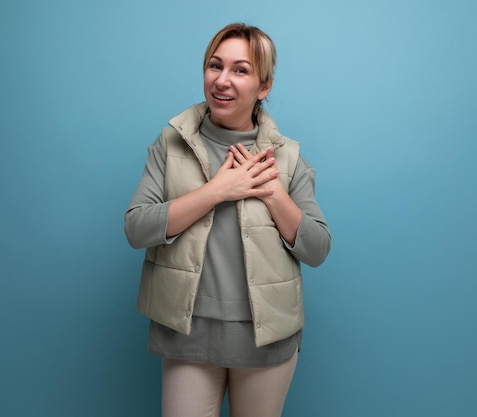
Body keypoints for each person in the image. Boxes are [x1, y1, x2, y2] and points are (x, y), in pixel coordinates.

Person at [124, 22, 331, 417]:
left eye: (240, 70)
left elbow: (318, 248)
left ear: (263, 86)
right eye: (214, 66)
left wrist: (272, 192)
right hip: (187, 332)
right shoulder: (171, 144)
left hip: (266, 337)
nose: (222, 80)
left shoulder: (286, 158)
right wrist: (217, 190)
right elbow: (136, 228)